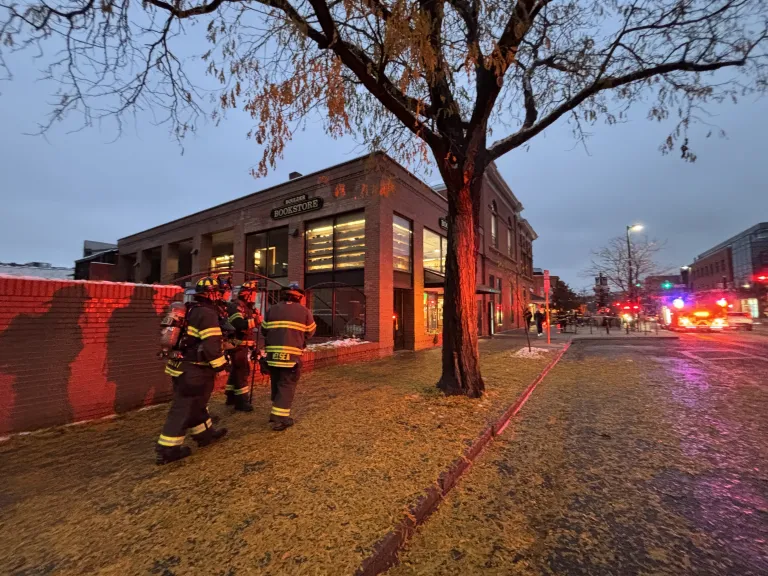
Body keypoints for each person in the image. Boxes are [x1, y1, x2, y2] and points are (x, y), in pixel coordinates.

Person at [156, 276, 229, 465]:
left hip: (181, 367)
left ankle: (205, 434)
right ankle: (168, 449)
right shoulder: (207, 313)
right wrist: (221, 365)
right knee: (183, 408)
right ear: (212, 293)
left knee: (197, 404)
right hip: (195, 369)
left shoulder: (189, 309)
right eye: (219, 292)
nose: (222, 296)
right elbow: (211, 344)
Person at [261, 282, 316, 431]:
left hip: (272, 356)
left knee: (277, 383)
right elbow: (310, 332)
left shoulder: (272, 309)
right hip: (291, 357)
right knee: (287, 385)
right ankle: (280, 419)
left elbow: (264, 330)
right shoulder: (304, 312)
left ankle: (275, 413)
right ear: (300, 297)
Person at [225, 280, 262, 411]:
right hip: (236, 345)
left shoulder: (247, 307)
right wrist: (255, 320)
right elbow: (238, 324)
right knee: (242, 371)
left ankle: (230, 396)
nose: (254, 297)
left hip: (243, 345)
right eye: (253, 294)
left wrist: (253, 346)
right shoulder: (236, 306)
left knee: (236, 370)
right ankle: (241, 402)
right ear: (246, 294)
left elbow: (249, 331)